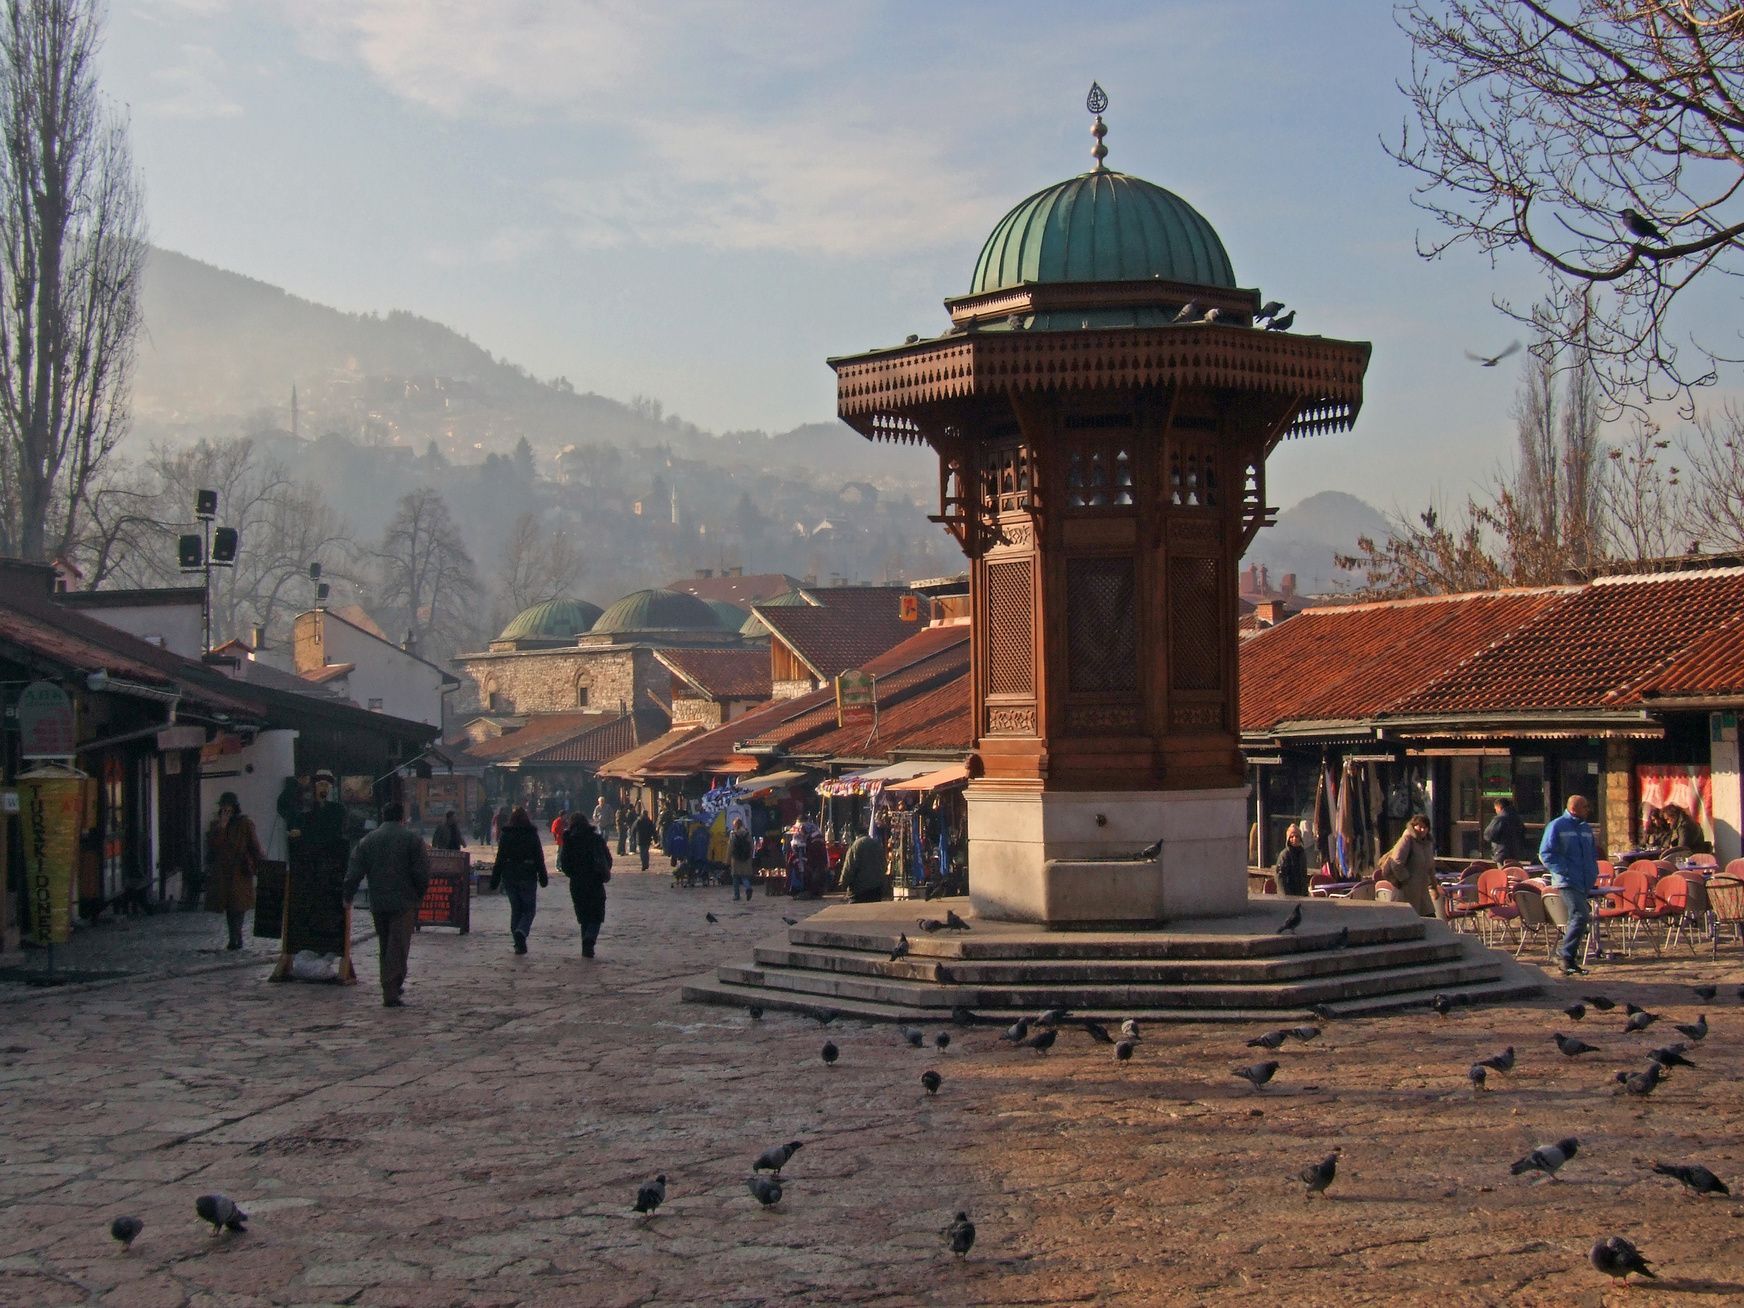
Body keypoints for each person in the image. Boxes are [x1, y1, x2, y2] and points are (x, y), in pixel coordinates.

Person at [343, 802, 430, 1007]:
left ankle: (390, 982)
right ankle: (391, 989)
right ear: (402, 817)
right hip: (403, 901)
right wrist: (419, 894)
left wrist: (348, 894)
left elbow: (354, 870)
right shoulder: (412, 840)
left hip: (378, 901)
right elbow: (421, 873)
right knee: (398, 946)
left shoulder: (368, 840)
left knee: (385, 944)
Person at [1539, 794, 1600, 977]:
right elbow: (1545, 853)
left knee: (1580, 917)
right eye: (1585, 807)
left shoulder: (1585, 828)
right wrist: (1564, 870)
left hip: (1584, 881)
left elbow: (1590, 853)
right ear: (1574, 808)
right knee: (1580, 915)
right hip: (1567, 881)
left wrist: (1593, 871)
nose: (1588, 810)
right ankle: (1565, 955)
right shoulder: (1557, 826)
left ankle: (1569, 959)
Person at [205, 791, 263, 950]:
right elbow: (214, 846)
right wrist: (222, 826)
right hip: (224, 872)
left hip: (240, 870)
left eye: (228, 808)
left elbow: (254, 845)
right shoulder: (217, 826)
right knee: (229, 907)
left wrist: (262, 864)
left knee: (239, 906)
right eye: (223, 808)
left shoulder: (244, 824)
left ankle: (237, 937)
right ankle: (233, 937)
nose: (226, 811)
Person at [491, 806, 548, 955]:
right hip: (527, 874)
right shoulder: (531, 834)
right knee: (529, 909)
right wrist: (543, 876)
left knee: (516, 909)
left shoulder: (506, 834)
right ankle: (521, 932)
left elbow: (500, 858)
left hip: (510, 875)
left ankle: (518, 941)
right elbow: (539, 857)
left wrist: (495, 879)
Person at [559, 812, 613, 958]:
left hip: (577, 882)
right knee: (596, 914)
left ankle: (586, 945)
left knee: (584, 916)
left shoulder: (570, 841)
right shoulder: (596, 839)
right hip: (595, 881)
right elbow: (607, 859)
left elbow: (564, 864)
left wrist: (574, 874)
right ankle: (589, 940)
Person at [1378, 814, 1437, 917]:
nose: (1422, 830)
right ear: (1413, 826)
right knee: (1407, 922)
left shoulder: (1427, 844)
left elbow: (1430, 867)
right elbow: (1396, 862)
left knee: (1430, 923)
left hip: (1422, 894)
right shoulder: (1407, 839)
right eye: (1419, 826)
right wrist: (1406, 879)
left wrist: (1434, 887)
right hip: (1406, 893)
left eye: (1425, 827)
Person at [841, 829, 888, 903]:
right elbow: (884, 865)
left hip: (859, 891)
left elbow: (849, 867)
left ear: (857, 835)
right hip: (876, 889)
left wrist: (842, 884)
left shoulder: (855, 845)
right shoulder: (877, 844)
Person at [1482, 798, 1529, 864]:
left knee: (1503, 873)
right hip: (1516, 854)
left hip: (1502, 854)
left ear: (1499, 807)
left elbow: (1488, 835)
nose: (1496, 811)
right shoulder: (1517, 818)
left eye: (1495, 809)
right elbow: (1523, 833)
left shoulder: (1499, 819)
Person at [1274, 823, 1309, 897]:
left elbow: (1303, 875)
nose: (1294, 839)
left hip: (1300, 893)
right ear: (1288, 839)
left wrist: (1305, 893)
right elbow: (1279, 877)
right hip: (1287, 894)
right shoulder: (1284, 855)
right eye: (1292, 837)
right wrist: (1284, 895)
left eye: (1297, 836)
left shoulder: (1302, 854)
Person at [729, 817, 755, 901]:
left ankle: (736, 895)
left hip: (736, 859)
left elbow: (730, 847)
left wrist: (727, 859)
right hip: (746, 858)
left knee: (735, 877)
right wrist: (751, 856)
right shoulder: (747, 834)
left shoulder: (733, 834)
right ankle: (748, 887)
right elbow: (751, 846)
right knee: (744, 876)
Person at [634, 807, 657, 872]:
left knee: (642, 852)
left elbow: (633, 829)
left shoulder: (639, 820)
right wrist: (655, 839)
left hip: (640, 839)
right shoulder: (649, 821)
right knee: (646, 852)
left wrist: (633, 836)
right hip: (647, 839)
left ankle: (644, 864)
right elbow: (653, 831)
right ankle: (646, 863)